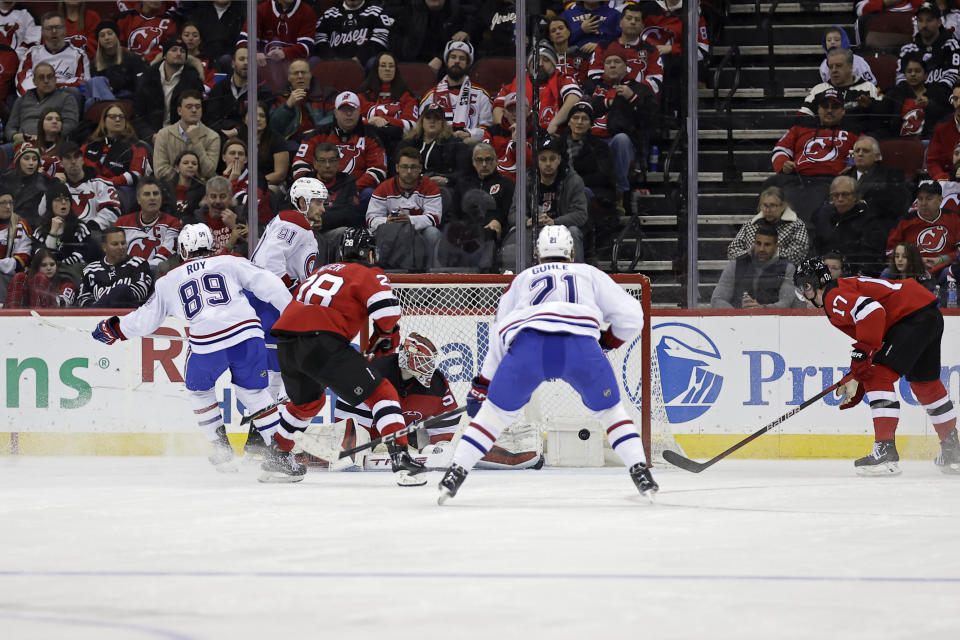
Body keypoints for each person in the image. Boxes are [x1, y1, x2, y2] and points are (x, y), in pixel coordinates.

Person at [437, 225, 659, 504]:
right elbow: (632, 316)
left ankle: (454, 474)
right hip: (580, 347)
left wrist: (483, 385)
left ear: (536, 253)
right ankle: (640, 472)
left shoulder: (522, 278)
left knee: (492, 417)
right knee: (611, 413)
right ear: (572, 252)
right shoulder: (589, 273)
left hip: (530, 348)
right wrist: (607, 342)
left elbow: (500, 332)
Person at [91, 223, 292, 474]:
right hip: (248, 335)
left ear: (183, 249)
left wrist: (115, 330)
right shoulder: (230, 261)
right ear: (210, 244)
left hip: (207, 343)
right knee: (255, 394)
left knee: (198, 391)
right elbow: (270, 284)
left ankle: (222, 449)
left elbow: (147, 318)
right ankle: (281, 458)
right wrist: (291, 313)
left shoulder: (169, 280)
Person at [266, 227, 420, 485]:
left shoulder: (320, 271)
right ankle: (401, 457)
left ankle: (278, 455)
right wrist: (386, 334)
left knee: (307, 404)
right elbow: (386, 313)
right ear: (368, 254)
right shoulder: (368, 273)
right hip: (322, 341)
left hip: (286, 342)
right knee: (383, 394)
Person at [793, 257, 959, 475]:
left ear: (809, 286)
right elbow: (877, 332)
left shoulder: (833, 297)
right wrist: (857, 372)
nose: (802, 297)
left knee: (878, 375)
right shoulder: (842, 288)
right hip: (925, 315)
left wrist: (862, 355)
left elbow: (872, 311)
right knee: (924, 384)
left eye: (801, 290)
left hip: (909, 317)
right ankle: (953, 451)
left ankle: (885, 453)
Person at [249, 176, 324, 409]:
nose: (322, 209)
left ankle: (267, 424)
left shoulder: (300, 226)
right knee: (279, 364)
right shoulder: (293, 221)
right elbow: (268, 262)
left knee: (279, 366)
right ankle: (266, 424)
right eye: (318, 202)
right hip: (268, 302)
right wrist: (289, 296)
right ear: (302, 202)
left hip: (272, 301)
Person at [768, 89, 859, 222]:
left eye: (834, 107)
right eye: (825, 106)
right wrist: (784, 164)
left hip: (831, 181)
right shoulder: (800, 128)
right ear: (818, 109)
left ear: (843, 111)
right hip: (798, 178)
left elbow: (865, 150)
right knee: (770, 184)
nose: (829, 110)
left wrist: (852, 165)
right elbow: (780, 149)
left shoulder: (853, 132)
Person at [582, 43, 657, 205]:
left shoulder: (639, 89)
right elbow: (580, 108)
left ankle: (620, 194)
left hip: (620, 143)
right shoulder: (591, 86)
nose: (612, 65)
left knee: (621, 139)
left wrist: (633, 98)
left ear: (626, 67)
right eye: (608, 62)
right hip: (591, 140)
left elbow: (650, 119)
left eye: (617, 62)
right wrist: (607, 102)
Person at [502, 136, 588, 269]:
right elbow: (514, 213)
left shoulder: (573, 180)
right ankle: (523, 276)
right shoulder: (526, 180)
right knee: (520, 232)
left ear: (559, 159)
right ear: (537, 161)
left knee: (574, 232)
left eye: (552, 159)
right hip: (534, 227)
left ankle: (577, 274)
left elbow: (581, 214)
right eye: (543, 159)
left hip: (562, 227)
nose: (548, 163)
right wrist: (527, 221)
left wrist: (555, 221)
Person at [366, 146, 443, 270]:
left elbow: (434, 218)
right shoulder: (384, 188)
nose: (408, 171)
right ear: (397, 168)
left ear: (420, 169)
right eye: (404, 167)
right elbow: (371, 219)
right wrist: (387, 221)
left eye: (413, 167)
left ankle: (430, 277)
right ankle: (382, 273)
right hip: (390, 232)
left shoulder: (430, 186)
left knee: (433, 233)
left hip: (418, 232)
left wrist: (409, 221)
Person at [491, 45, 583, 137]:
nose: (540, 64)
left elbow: (574, 98)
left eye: (546, 60)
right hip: (519, 136)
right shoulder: (515, 82)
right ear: (529, 66)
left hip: (552, 137)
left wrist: (554, 123)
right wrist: (509, 130)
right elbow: (498, 108)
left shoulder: (562, 78)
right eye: (536, 60)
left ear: (554, 65)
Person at [130, 38, 206, 143]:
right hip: (152, 136)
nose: (179, 53)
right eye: (174, 50)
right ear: (164, 55)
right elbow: (137, 114)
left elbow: (200, 112)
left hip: (183, 136)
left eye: (183, 51)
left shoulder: (193, 79)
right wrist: (151, 136)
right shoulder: (148, 77)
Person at [809, 175, 887, 276]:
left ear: (856, 197)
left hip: (851, 275)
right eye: (836, 195)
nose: (840, 199)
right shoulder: (821, 215)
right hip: (822, 270)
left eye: (845, 194)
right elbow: (813, 247)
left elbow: (871, 258)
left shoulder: (869, 220)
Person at [82, 102, 152, 212]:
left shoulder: (137, 146)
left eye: (121, 117)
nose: (118, 119)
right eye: (113, 117)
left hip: (120, 191)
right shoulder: (89, 145)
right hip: (90, 188)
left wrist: (107, 182)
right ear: (104, 121)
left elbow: (136, 175)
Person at [419, 40, 493, 143]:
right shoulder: (431, 96)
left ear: (468, 63)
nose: (457, 61)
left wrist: (469, 134)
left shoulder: (481, 95)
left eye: (462, 58)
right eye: (453, 57)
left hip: (469, 147)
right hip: (438, 146)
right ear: (447, 61)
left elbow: (488, 129)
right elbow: (421, 127)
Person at [41, 141, 120, 234]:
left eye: (76, 156)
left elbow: (113, 210)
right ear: (61, 163)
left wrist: (92, 226)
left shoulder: (100, 184)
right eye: (68, 158)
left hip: (93, 235)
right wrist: (53, 186)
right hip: (63, 234)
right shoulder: (58, 186)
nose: (73, 161)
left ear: (82, 160)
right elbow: (41, 212)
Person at [711, 223, 797, 309]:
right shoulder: (736, 264)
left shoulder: (787, 268)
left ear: (776, 246)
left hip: (771, 320)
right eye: (758, 243)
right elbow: (717, 299)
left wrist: (763, 309)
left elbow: (786, 303)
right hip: (738, 319)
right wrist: (737, 315)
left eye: (767, 245)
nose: (761, 249)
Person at [886, 180, 960, 276]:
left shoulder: (953, 218)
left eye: (929, 198)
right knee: (886, 273)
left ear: (940, 200)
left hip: (944, 270)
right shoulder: (905, 221)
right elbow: (890, 252)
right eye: (920, 199)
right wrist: (913, 261)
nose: (923, 203)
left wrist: (941, 259)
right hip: (911, 270)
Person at [842, 135, 911, 234]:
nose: (860, 154)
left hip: (878, 228)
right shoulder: (845, 176)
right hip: (846, 228)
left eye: (865, 151)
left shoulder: (892, 174)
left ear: (877, 156)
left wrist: (864, 204)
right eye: (857, 151)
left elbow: (898, 204)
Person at [307, 143, 363, 263]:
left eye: (332, 161)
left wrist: (324, 220)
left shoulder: (348, 183)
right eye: (322, 161)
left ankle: (338, 272)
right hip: (306, 231)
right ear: (315, 163)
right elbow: (287, 209)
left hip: (332, 233)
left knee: (345, 233)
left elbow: (353, 213)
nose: (327, 165)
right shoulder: (303, 182)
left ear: (338, 163)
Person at [357, 51, 420, 156]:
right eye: (383, 65)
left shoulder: (406, 96)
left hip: (398, 144)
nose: (387, 69)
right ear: (376, 69)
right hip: (367, 143)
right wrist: (371, 121)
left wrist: (384, 120)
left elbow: (412, 125)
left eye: (391, 66)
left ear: (395, 70)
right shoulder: (363, 95)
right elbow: (353, 122)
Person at [115, 176, 182, 273]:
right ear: (138, 199)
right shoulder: (122, 223)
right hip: (124, 274)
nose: (152, 198)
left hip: (155, 276)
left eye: (156, 194)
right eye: (147, 194)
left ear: (161, 198)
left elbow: (163, 258)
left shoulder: (172, 223)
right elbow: (115, 255)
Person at [727, 186, 809, 265]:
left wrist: (771, 253)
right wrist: (752, 252)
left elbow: (798, 255)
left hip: (782, 272)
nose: (768, 210)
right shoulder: (751, 225)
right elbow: (732, 251)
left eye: (773, 205)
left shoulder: (796, 225)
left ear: (783, 206)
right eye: (765, 205)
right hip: (751, 272)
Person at [15, 10, 90, 96]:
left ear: (65, 30)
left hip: (65, 99)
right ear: (42, 31)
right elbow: (22, 82)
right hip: (37, 100)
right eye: (49, 28)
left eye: (58, 27)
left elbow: (83, 83)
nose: (54, 31)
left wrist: (50, 88)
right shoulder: (32, 53)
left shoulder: (78, 55)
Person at [397, 104, 469, 193]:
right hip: (410, 186)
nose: (432, 121)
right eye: (428, 117)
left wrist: (447, 180)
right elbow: (396, 168)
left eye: (437, 118)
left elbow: (463, 172)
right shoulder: (408, 143)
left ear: (443, 123)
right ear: (421, 121)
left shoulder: (454, 144)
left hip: (441, 189)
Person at [76, 225, 153, 308]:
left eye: (123, 243)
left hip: (129, 314)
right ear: (104, 247)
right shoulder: (90, 270)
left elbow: (140, 292)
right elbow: (83, 299)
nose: (121, 247)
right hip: (98, 317)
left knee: (122, 289)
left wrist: (102, 303)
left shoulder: (139, 264)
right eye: (115, 244)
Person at [896, 2, 960, 100]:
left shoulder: (951, 46)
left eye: (929, 20)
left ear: (939, 22)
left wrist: (927, 96)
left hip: (941, 100)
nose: (924, 25)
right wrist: (913, 96)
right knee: (891, 97)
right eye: (920, 20)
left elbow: (952, 76)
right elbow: (901, 78)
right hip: (911, 98)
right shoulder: (907, 50)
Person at [32, 177, 101, 266]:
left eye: (67, 199)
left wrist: (58, 266)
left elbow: (83, 255)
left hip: (74, 274)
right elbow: (39, 256)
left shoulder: (80, 228)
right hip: (47, 273)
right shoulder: (40, 231)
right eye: (58, 200)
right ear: (50, 204)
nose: (64, 202)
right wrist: (52, 233)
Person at [5, 63, 80, 143]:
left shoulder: (66, 98)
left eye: (50, 77)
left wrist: (47, 137)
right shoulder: (22, 100)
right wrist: (15, 136)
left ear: (55, 79)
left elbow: (71, 124)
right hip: (23, 144)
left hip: (51, 144)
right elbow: (10, 127)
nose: (46, 81)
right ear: (34, 81)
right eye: (41, 77)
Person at [881, 54, 950, 140]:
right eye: (909, 71)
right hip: (899, 141)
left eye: (917, 71)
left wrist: (930, 104)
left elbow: (947, 115)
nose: (913, 74)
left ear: (926, 75)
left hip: (927, 141)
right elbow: (881, 114)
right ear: (905, 75)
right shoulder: (895, 93)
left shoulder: (936, 93)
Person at [267, 58, 332, 142]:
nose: (300, 76)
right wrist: (287, 106)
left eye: (303, 72)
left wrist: (317, 130)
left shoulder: (326, 94)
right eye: (296, 73)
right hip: (290, 142)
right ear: (289, 77)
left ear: (310, 75)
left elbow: (334, 116)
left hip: (319, 138)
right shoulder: (279, 97)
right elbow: (273, 127)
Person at [314, 0, 393, 67]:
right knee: (314, 61)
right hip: (333, 62)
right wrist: (332, 58)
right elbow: (319, 39)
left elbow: (380, 40)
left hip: (364, 62)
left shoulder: (377, 12)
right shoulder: (329, 14)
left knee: (374, 63)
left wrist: (359, 58)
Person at [237, 0, 315, 64]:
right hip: (263, 66)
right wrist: (254, 53)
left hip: (293, 66)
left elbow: (307, 46)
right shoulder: (261, 10)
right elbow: (243, 40)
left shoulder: (307, 11)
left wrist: (285, 53)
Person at [0, 142, 55, 228]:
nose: (31, 163)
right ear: (18, 161)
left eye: (34, 159)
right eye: (26, 158)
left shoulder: (45, 182)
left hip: (32, 229)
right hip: (5, 228)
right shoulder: (4, 179)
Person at [90, 19, 147, 100]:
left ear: (117, 36)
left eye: (110, 34)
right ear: (99, 41)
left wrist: (116, 86)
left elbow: (140, 85)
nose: (106, 38)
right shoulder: (94, 65)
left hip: (127, 99)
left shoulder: (133, 58)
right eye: (102, 36)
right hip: (102, 102)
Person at [191, 175, 247, 255]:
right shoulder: (195, 222)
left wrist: (234, 226)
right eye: (213, 196)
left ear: (230, 198)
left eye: (222, 196)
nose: (218, 201)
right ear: (206, 198)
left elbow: (253, 248)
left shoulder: (242, 215)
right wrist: (229, 244)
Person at [3, 247, 76, 308]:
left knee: (40, 278)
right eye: (44, 265)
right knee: (19, 277)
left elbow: (65, 303)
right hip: (21, 319)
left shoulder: (66, 283)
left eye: (52, 264)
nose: (49, 268)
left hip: (51, 319)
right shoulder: (25, 281)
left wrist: (48, 297)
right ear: (36, 267)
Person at [187, 0, 245, 72]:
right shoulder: (200, 11)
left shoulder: (241, 13)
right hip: (203, 56)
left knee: (226, 59)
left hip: (228, 59)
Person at [0, 188, 32, 301]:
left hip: (8, 278)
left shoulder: (20, 224)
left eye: (10, 203)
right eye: (3, 203)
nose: (8, 207)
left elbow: (21, 260)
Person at [925, 83, 960, 180]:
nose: (959, 103)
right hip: (949, 180)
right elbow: (933, 161)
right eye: (955, 99)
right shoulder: (941, 128)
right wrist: (943, 179)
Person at [160, 150, 206, 221]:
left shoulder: (202, 189)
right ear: (177, 168)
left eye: (194, 164)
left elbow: (200, 214)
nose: (190, 166)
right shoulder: (165, 186)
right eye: (185, 163)